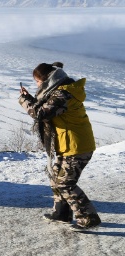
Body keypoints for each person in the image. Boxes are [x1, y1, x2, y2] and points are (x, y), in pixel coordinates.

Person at [19, 62, 101, 231]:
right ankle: (62, 214)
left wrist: (24, 100)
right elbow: (45, 108)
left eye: (38, 82)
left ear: (47, 79)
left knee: (65, 183)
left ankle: (88, 217)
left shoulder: (63, 94)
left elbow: (41, 113)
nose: (37, 85)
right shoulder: (58, 91)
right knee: (55, 177)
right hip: (67, 144)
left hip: (78, 146)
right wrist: (32, 99)